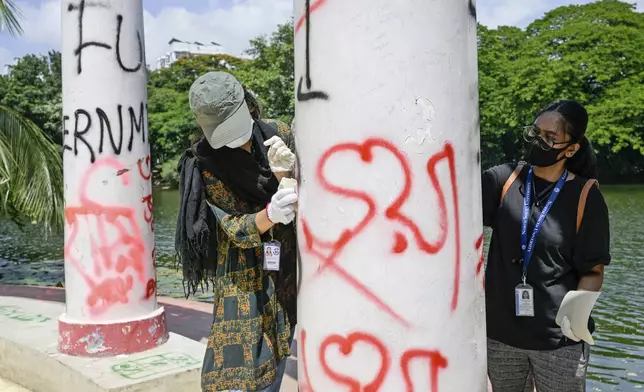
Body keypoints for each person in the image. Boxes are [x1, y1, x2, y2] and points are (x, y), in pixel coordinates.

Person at [175, 71, 298, 392]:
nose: (232, 141)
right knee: (235, 362)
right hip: (240, 270)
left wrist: (287, 172)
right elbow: (231, 225)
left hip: (283, 263)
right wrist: (271, 213)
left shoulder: (279, 134)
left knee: (280, 338)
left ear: (248, 108)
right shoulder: (205, 161)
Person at [481, 100, 611, 392]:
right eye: (536, 133)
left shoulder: (585, 195)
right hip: (502, 337)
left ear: (571, 149)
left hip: (558, 342)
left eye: (551, 138)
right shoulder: (504, 179)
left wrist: (574, 322)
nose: (539, 141)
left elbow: (593, 270)